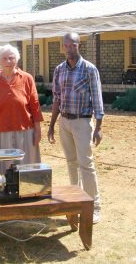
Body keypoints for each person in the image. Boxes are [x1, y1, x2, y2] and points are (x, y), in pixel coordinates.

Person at [47, 32, 104, 224]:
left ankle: (94, 206)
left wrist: (98, 127)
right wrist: (52, 125)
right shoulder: (59, 70)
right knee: (71, 163)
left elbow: (97, 99)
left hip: (82, 122)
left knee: (86, 165)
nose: (69, 49)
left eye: (73, 45)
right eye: (66, 45)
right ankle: (75, 203)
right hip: (65, 122)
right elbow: (57, 99)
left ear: (79, 45)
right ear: (62, 47)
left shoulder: (89, 69)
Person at [0, 44, 43, 171]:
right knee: (0, 171)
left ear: (17, 59)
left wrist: (38, 130)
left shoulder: (27, 78)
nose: (8, 61)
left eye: (11, 58)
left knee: (26, 169)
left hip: (24, 131)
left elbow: (35, 106)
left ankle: (26, 190)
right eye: (4, 58)